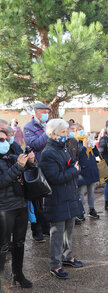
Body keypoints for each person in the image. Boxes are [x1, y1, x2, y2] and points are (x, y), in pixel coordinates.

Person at [39, 119, 83, 279]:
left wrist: (73, 167)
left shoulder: (63, 148)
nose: (67, 134)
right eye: (64, 132)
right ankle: (55, 265)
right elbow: (55, 177)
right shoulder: (48, 153)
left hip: (69, 196)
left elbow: (67, 167)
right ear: (53, 134)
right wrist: (74, 171)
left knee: (68, 231)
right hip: (57, 199)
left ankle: (67, 257)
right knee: (57, 234)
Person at [0, 129, 35, 293]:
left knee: (19, 242)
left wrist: (31, 161)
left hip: (20, 204)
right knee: (3, 245)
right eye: (1, 139)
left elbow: (27, 168)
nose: (5, 142)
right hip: (4, 208)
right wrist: (17, 167)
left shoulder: (11, 156)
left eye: (6, 138)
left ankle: (18, 274)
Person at [23, 102, 50, 243]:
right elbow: (35, 145)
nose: (46, 114)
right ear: (37, 112)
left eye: (47, 111)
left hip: (50, 165)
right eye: (44, 111)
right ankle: (37, 230)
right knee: (37, 201)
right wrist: (48, 132)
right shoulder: (29, 127)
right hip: (36, 167)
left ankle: (46, 227)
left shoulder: (49, 123)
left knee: (48, 200)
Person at [76, 126, 100, 219]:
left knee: (91, 191)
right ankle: (80, 212)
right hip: (83, 171)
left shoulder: (87, 139)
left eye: (82, 129)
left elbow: (97, 154)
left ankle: (92, 209)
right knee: (81, 193)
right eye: (79, 130)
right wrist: (84, 147)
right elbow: (77, 156)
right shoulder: (76, 142)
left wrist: (93, 146)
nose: (81, 132)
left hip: (92, 169)